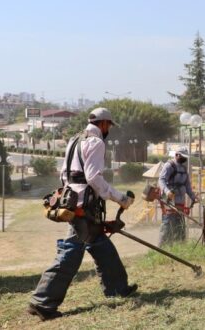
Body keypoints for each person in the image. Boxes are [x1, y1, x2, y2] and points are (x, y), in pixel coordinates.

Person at [28, 108, 136, 321]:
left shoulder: (75, 140)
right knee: (70, 253)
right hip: (82, 207)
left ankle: (117, 288)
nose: (109, 130)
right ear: (104, 124)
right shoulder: (96, 143)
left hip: (75, 201)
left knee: (100, 245)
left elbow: (64, 174)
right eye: (109, 126)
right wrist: (120, 198)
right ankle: (42, 302)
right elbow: (94, 177)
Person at [157, 148, 197, 247]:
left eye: (185, 157)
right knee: (168, 225)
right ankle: (162, 248)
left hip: (180, 202)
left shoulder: (184, 169)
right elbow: (161, 180)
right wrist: (167, 191)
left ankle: (180, 246)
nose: (184, 159)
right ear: (177, 155)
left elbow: (187, 186)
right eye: (182, 157)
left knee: (180, 226)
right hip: (170, 201)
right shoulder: (169, 165)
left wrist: (193, 197)